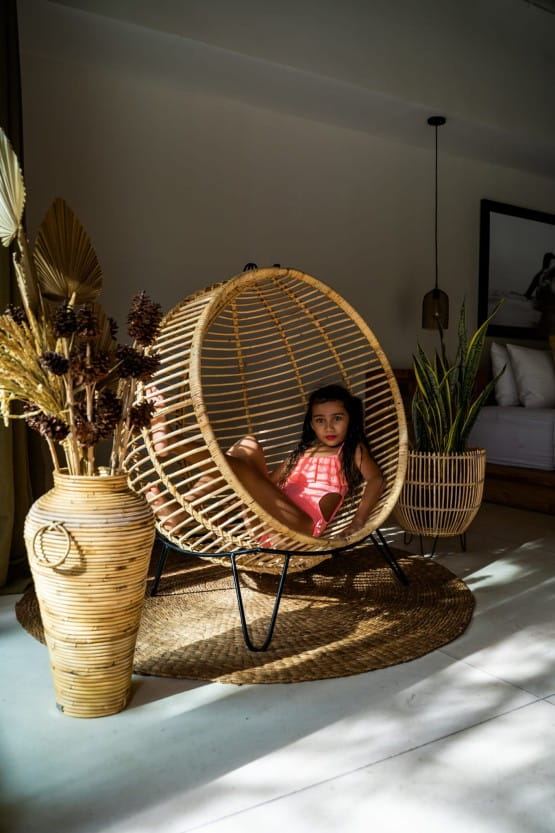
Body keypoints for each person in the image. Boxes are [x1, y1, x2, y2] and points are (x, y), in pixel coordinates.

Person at [148, 384, 384, 540]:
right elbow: (266, 487)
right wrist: (235, 508)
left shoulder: (351, 450)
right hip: (266, 524)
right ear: (312, 424)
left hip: (301, 528)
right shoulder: (301, 453)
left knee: (245, 473)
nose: (329, 427)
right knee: (248, 444)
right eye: (320, 420)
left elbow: (376, 480)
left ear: (350, 420)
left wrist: (358, 521)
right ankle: (181, 509)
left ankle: (173, 443)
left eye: (337, 418)